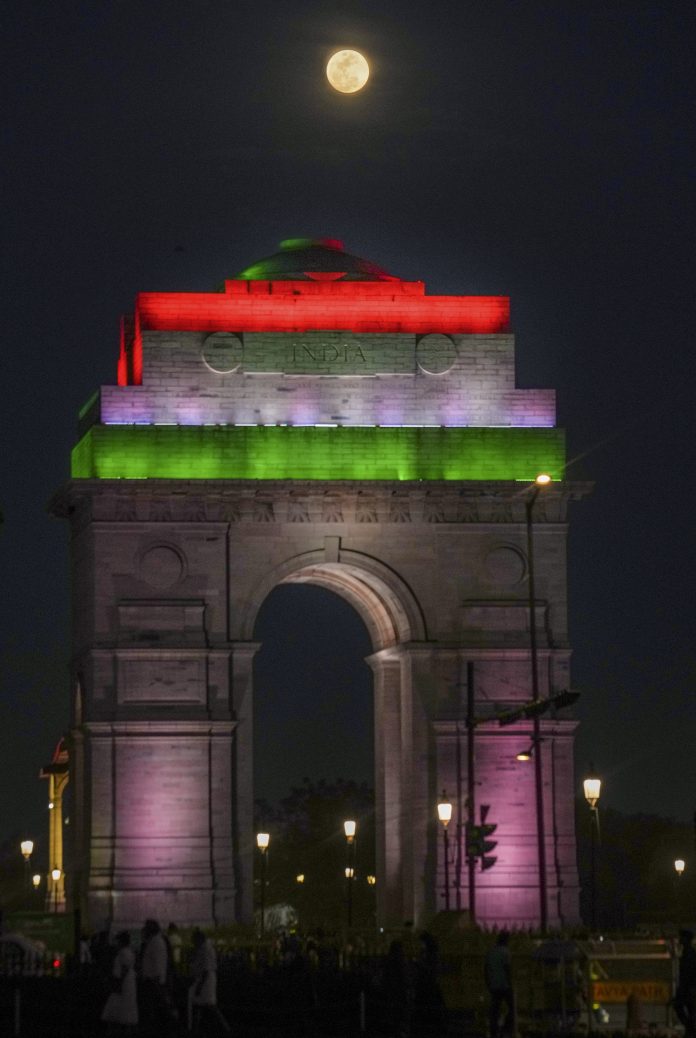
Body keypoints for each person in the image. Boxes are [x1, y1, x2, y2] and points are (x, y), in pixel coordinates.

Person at [189, 928, 230, 1036]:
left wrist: (199, 987)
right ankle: (196, 1028)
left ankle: (224, 1027)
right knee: (201, 1005)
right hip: (204, 979)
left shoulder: (206, 949)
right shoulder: (205, 948)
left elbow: (206, 969)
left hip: (205, 981)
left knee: (209, 1005)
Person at [139, 918, 177, 1036]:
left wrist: (157, 982)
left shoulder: (156, 943)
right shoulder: (154, 941)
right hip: (154, 982)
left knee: (156, 1012)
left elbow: (158, 966)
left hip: (154, 983)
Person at [101, 931, 137, 1034]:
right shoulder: (129, 952)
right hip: (127, 982)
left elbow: (124, 969)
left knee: (117, 1006)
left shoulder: (123, 953)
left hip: (123, 982)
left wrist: (119, 982)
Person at [484, 931, 515, 1038]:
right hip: (504, 985)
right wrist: (511, 984)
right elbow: (507, 969)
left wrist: (488, 983)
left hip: (493, 985)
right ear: (506, 941)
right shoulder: (505, 952)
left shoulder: (490, 952)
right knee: (512, 1007)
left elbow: (485, 969)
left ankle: (494, 1030)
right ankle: (506, 1028)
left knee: (495, 1009)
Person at [674, 930, 696, 1038]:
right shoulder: (688, 953)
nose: (679, 940)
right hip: (687, 988)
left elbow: (688, 973)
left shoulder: (689, 954)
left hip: (688, 988)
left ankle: (690, 1027)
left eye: (681, 937)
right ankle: (690, 1027)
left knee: (682, 1006)